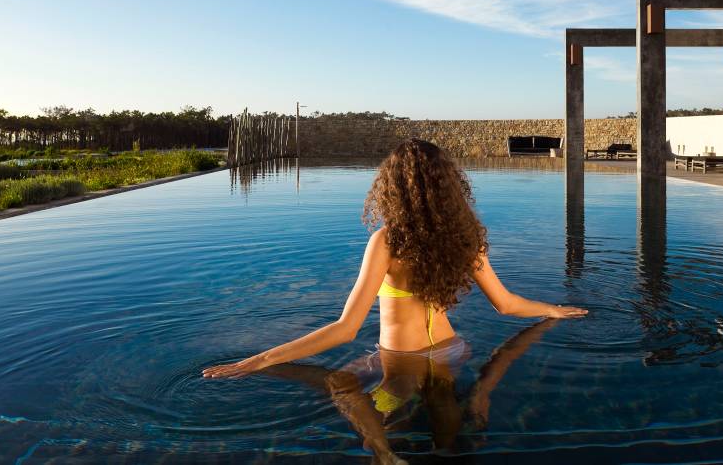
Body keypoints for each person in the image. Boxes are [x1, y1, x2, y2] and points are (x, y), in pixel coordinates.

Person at [203, 139, 586, 460]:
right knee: (439, 400)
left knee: (344, 386)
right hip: (452, 351)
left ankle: (383, 453)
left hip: (401, 363)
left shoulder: (387, 241)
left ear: (392, 188)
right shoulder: (466, 239)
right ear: (450, 187)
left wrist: (260, 359)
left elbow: (345, 328)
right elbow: (505, 304)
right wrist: (552, 310)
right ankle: (449, 443)